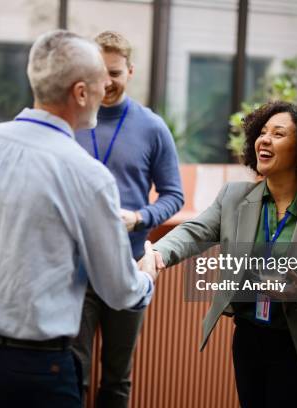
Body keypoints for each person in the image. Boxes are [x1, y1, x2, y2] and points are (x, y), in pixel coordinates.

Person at [0, 30, 159, 408]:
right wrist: (147, 276)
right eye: (99, 84)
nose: (104, 92)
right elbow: (118, 290)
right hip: (37, 374)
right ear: (81, 92)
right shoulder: (89, 176)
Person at [151, 101, 297, 407]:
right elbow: (194, 231)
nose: (264, 139)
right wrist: (158, 254)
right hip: (250, 339)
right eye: (262, 132)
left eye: (278, 134)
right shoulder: (234, 197)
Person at [71, 31, 183, 408]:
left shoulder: (152, 127)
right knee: (73, 370)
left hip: (129, 265)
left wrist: (139, 218)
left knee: (117, 378)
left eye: (115, 72)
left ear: (130, 71)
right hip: (75, 269)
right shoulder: (70, 118)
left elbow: (174, 196)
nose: (107, 81)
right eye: (100, 71)